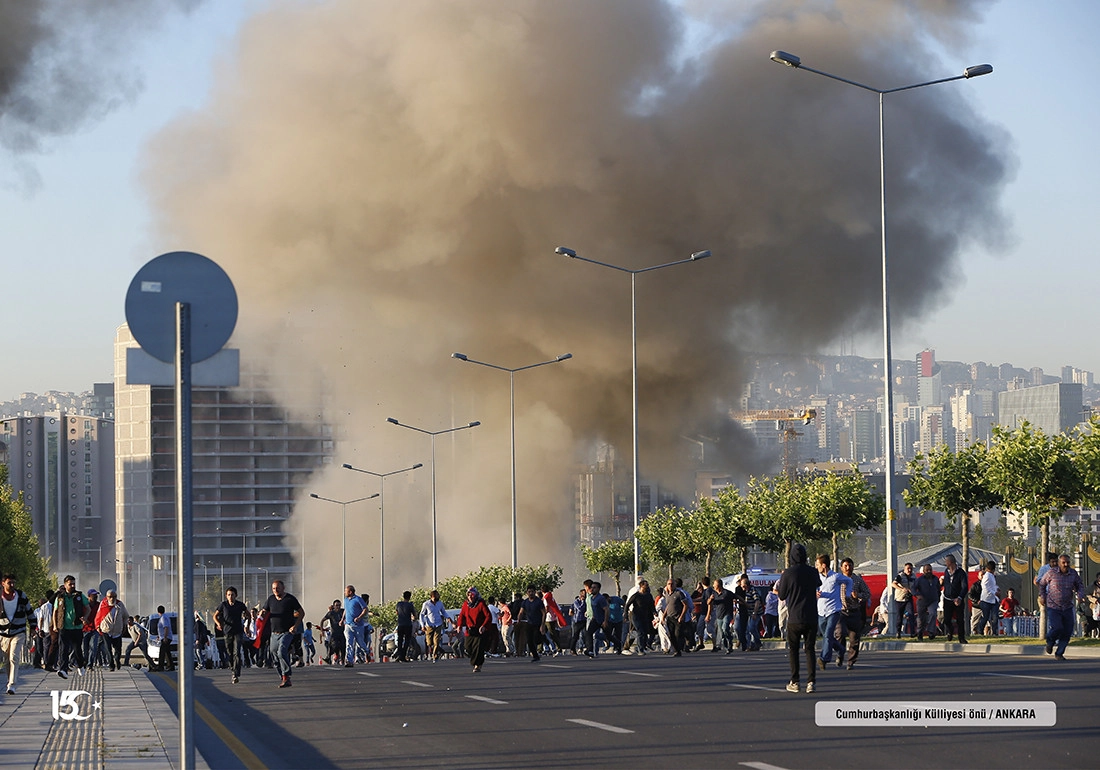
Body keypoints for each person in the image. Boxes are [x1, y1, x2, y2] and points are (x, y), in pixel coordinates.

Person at [777, 544, 821, 693]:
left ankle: (795, 681)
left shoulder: (788, 573)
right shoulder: (813, 572)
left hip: (795, 617)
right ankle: (811, 682)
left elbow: (782, 595)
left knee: (793, 650)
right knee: (810, 649)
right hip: (811, 615)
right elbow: (818, 584)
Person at [1037, 554, 1085, 660]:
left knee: (1067, 630)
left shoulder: (1073, 573)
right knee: (1057, 627)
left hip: (1067, 606)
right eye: (1063, 562)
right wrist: (1042, 596)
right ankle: (1050, 641)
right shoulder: (1051, 573)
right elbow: (1042, 584)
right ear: (1059, 564)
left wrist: (1080, 595)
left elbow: (1079, 585)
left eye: (1067, 562)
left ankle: (1059, 653)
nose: (1066, 564)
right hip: (1053, 606)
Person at [258, 580, 304, 688]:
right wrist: (261, 613)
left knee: (282, 651)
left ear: (283, 588)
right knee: (274, 654)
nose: (276, 590)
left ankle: (286, 676)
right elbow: (265, 610)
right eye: (273, 588)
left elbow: (302, 612)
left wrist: (295, 626)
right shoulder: (271, 599)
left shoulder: (290, 599)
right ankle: (282, 676)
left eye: (278, 588)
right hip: (274, 633)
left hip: (287, 632)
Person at [815, 554, 852, 670]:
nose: (816, 567)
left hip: (833, 610)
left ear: (824, 565)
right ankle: (841, 649)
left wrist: (847, 594)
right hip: (821, 610)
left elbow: (849, 581)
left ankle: (824, 658)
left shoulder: (836, 577)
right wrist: (815, 593)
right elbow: (814, 589)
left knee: (828, 634)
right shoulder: (817, 578)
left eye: (818, 565)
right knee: (827, 636)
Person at [0, 573, 33, 695]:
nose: (12, 585)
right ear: (3, 583)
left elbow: (30, 611)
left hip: (19, 632)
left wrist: (33, 627)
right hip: (3, 633)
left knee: (14, 657)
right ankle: (9, 681)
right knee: (7, 660)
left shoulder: (21, 595)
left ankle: (12, 684)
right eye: (9, 583)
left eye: (13, 582)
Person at [52, 575, 90, 679]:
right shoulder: (60, 597)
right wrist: (55, 625)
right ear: (65, 585)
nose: (72, 586)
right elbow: (55, 612)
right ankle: (63, 669)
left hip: (76, 627)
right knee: (63, 649)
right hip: (63, 627)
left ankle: (81, 665)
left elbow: (88, 608)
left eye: (73, 584)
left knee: (77, 649)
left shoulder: (79, 595)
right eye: (70, 584)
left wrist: (85, 617)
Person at [838, 558, 871, 669]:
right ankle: (840, 654)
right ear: (841, 567)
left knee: (854, 639)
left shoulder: (857, 580)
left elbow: (867, 593)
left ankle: (851, 661)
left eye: (850, 565)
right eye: (846, 566)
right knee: (840, 634)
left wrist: (858, 596)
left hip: (854, 612)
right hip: (840, 612)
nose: (848, 568)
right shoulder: (837, 580)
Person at [214, 586, 249, 683]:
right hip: (227, 632)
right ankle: (232, 668)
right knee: (229, 653)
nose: (230, 597)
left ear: (236, 595)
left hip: (238, 631)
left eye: (232, 595)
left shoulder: (240, 605)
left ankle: (236, 673)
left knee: (236, 652)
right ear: (226, 596)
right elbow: (214, 616)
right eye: (229, 595)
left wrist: (247, 626)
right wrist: (219, 624)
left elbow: (248, 614)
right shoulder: (223, 605)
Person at [455, 587, 492, 672]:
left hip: (479, 630)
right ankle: (476, 661)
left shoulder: (481, 604)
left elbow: (488, 616)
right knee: (468, 647)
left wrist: (483, 626)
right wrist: (459, 625)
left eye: (472, 595)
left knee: (478, 648)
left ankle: (477, 665)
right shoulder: (465, 604)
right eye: (468, 595)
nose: (470, 597)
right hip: (470, 630)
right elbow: (461, 616)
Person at [94, 589, 129, 671]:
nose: (112, 599)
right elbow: (98, 616)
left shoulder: (120, 604)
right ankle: (111, 665)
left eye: (114, 597)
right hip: (106, 630)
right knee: (107, 649)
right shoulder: (103, 604)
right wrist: (98, 626)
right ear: (107, 597)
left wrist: (124, 625)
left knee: (118, 649)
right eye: (110, 597)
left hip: (117, 631)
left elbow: (126, 616)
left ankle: (117, 660)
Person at [940, 555, 968, 645]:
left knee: (960, 619)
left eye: (946, 561)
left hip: (957, 599)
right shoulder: (946, 572)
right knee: (946, 619)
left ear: (950, 562)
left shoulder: (961, 573)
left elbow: (965, 587)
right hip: (947, 599)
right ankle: (950, 631)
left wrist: (960, 597)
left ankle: (961, 637)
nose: (945, 563)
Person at [342, 585, 370, 667]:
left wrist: (359, 617)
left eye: (346, 591)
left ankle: (367, 652)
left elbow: (365, 609)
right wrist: (342, 619)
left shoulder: (358, 599)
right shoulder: (346, 600)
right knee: (349, 643)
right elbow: (346, 610)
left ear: (350, 592)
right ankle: (349, 661)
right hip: (348, 625)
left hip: (358, 626)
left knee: (360, 643)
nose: (344, 592)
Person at [625, 580, 655, 655]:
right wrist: (625, 614)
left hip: (645, 616)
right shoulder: (636, 595)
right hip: (636, 616)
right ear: (641, 586)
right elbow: (627, 604)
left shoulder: (649, 595)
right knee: (640, 631)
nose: (647, 587)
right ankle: (640, 649)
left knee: (645, 632)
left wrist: (654, 612)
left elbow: (652, 605)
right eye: (646, 585)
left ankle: (643, 647)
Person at [912, 564, 942, 641]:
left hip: (933, 600)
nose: (929, 571)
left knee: (933, 613)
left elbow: (938, 588)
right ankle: (920, 633)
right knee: (921, 618)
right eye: (927, 570)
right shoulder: (920, 579)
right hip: (922, 601)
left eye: (930, 570)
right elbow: (913, 589)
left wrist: (938, 598)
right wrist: (917, 595)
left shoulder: (935, 579)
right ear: (924, 571)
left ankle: (931, 631)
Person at [516, 585, 546, 661]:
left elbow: (544, 613)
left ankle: (543, 639)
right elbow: (521, 612)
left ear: (535, 592)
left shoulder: (539, 601)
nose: (531, 593)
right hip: (529, 623)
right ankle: (535, 656)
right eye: (529, 592)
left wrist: (542, 625)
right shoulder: (525, 602)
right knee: (529, 640)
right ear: (527, 593)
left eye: (532, 591)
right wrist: (518, 619)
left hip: (537, 623)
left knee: (537, 639)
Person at [706, 577, 734, 653]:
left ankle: (730, 640)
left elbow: (736, 597)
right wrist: (711, 599)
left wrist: (744, 604)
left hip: (727, 613)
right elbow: (708, 603)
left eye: (714, 585)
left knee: (725, 628)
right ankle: (727, 647)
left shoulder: (726, 593)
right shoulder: (713, 594)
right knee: (722, 633)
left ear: (718, 585)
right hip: (719, 615)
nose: (713, 586)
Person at [583, 582, 610, 657]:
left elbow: (605, 609)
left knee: (595, 635)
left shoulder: (599, 597)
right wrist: (587, 612)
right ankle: (591, 651)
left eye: (585, 587)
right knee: (589, 633)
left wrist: (605, 620)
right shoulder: (589, 596)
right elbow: (589, 606)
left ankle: (606, 640)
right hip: (590, 617)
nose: (585, 589)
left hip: (598, 618)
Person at [733, 575, 759, 652]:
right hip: (743, 611)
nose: (742, 588)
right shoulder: (741, 590)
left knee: (750, 628)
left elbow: (757, 601)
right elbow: (738, 598)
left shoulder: (752, 590)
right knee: (738, 627)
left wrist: (754, 613)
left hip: (754, 611)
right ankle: (742, 640)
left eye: (743, 586)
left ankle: (754, 643)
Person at [420, 590, 448, 661]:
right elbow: (422, 615)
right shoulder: (426, 604)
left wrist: (448, 618)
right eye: (436, 596)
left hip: (438, 624)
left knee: (437, 641)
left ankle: (435, 655)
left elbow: (443, 612)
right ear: (432, 596)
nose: (437, 597)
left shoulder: (440, 604)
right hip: (429, 625)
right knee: (429, 642)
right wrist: (422, 625)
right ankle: (434, 649)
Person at [663, 579, 688, 657]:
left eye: (672, 584)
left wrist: (681, 616)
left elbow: (685, 605)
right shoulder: (667, 594)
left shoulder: (679, 594)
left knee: (677, 634)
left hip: (678, 617)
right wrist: (664, 616)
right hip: (670, 618)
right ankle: (677, 651)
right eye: (668, 584)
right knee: (671, 635)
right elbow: (668, 606)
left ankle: (681, 647)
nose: (670, 585)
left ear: (675, 585)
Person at [891, 562, 915, 637]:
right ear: (904, 569)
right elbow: (893, 584)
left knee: (911, 614)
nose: (910, 570)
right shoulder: (900, 576)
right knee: (899, 616)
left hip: (908, 598)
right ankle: (898, 632)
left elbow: (916, 585)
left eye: (911, 568)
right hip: (900, 599)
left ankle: (912, 632)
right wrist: (902, 589)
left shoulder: (914, 576)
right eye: (908, 568)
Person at [82, 588, 103, 669]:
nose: (95, 597)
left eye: (96, 595)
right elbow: (80, 615)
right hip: (85, 629)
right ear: (89, 596)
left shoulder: (99, 605)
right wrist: (83, 620)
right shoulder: (84, 605)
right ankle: (85, 662)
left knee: (93, 647)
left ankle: (90, 664)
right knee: (85, 648)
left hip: (95, 629)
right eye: (93, 595)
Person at [978, 561, 1000, 636]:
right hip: (986, 600)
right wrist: (994, 593)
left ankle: (994, 632)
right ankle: (980, 631)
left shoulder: (992, 576)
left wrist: (997, 589)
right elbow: (984, 586)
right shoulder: (987, 576)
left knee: (995, 617)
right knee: (986, 617)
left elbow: (992, 586)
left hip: (993, 600)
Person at [394, 591, 416, 662]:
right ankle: (402, 655)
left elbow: (397, 612)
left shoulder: (399, 604)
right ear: (409, 597)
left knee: (400, 641)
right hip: (408, 625)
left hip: (400, 624)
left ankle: (399, 655)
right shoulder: (410, 605)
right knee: (407, 641)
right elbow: (414, 614)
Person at [156, 605, 175, 671]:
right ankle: (171, 666)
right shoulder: (164, 617)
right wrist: (159, 636)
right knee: (167, 652)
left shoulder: (163, 618)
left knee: (162, 652)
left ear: (158, 611)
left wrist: (165, 637)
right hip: (164, 637)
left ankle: (160, 667)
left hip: (166, 637)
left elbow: (166, 627)